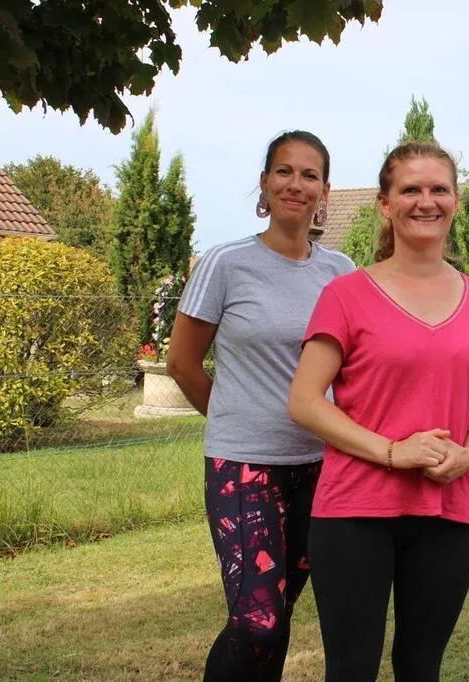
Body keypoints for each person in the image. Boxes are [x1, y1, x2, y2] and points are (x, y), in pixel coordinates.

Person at [288, 141, 469, 682]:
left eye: (439, 189)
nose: (425, 201)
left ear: (455, 201)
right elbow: (304, 401)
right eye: (410, 189)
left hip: (448, 511)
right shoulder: (346, 295)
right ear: (385, 205)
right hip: (354, 511)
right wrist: (392, 451)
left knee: (420, 666)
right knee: (351, 669)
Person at [165, 130, 354, 681]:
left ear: (325, 192)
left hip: (321, 469)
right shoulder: (226, 263)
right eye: (284, 171)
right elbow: (182, 363)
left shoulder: (341, 272)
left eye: (310, 175)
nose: (296, 184)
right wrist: (235, 420)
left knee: (279, 610)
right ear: (265, 182)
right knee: (257, 621)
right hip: (244, 466)